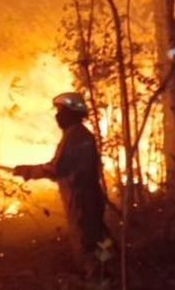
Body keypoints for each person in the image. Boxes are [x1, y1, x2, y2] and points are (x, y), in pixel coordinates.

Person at [12, 92, 112, 269]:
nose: (57, 115)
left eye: (60, 110)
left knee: (86, 244)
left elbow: (56, 168)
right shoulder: (80, 135)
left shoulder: (75, 137)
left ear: (71, 113)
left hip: (81, 199)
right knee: (97, 240)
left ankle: (98, 282)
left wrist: (28, 171)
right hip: (87, 197)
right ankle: (108, 274)